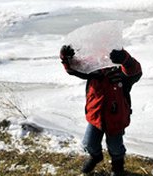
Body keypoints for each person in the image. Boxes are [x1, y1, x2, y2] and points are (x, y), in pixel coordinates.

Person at [60, 45, 142, 176]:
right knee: (89, 143)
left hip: (116, 119)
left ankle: (117, 167)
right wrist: (66, 58)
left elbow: (136, 72)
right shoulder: (93, 70)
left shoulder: (121, 73)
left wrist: (125, 59)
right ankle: (96, 156)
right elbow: (73, 68)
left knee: (115, 148)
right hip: (95, 116)